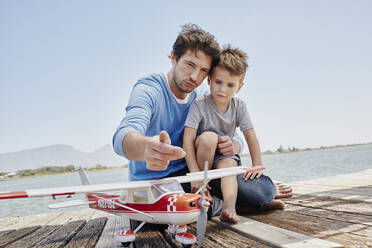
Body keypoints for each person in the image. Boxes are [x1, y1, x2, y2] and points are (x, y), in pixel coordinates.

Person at [113, 24, 288, 219]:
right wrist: (145, 148)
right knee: (195, 205)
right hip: (160, 182)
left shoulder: (204, 94)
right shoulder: (149, 89)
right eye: (190, 65)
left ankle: (241, 199)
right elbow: (123, 135)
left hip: (196, 173)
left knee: (260, 190)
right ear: (173, 57)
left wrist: (234, 146)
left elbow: (236, 134)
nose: (195, 77)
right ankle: (235, 203)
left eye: (203, 70)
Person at [183, 46, 264, 223]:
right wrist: (196, 174)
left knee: (231, 163)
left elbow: (251, 136)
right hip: (203, 158)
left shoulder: (239, 106)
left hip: (223, 159)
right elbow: (187, 139)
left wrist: (257, 165)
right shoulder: (199, 105)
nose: (223, 89)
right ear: (209, 80)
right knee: (209, 138)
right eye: (218, 82)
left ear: (239, 87)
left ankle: (229, 208)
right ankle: (204, 190)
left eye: (230, 85)